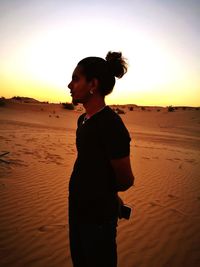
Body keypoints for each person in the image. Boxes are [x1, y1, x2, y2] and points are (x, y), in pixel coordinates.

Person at [68, 51, 134, 267]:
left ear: (93, 84)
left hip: (97, 219)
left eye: (76, 79)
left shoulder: (111, 125)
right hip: (77, 210)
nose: (70, 85)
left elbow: (125, 180)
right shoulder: (83, 120)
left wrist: (106, 195)